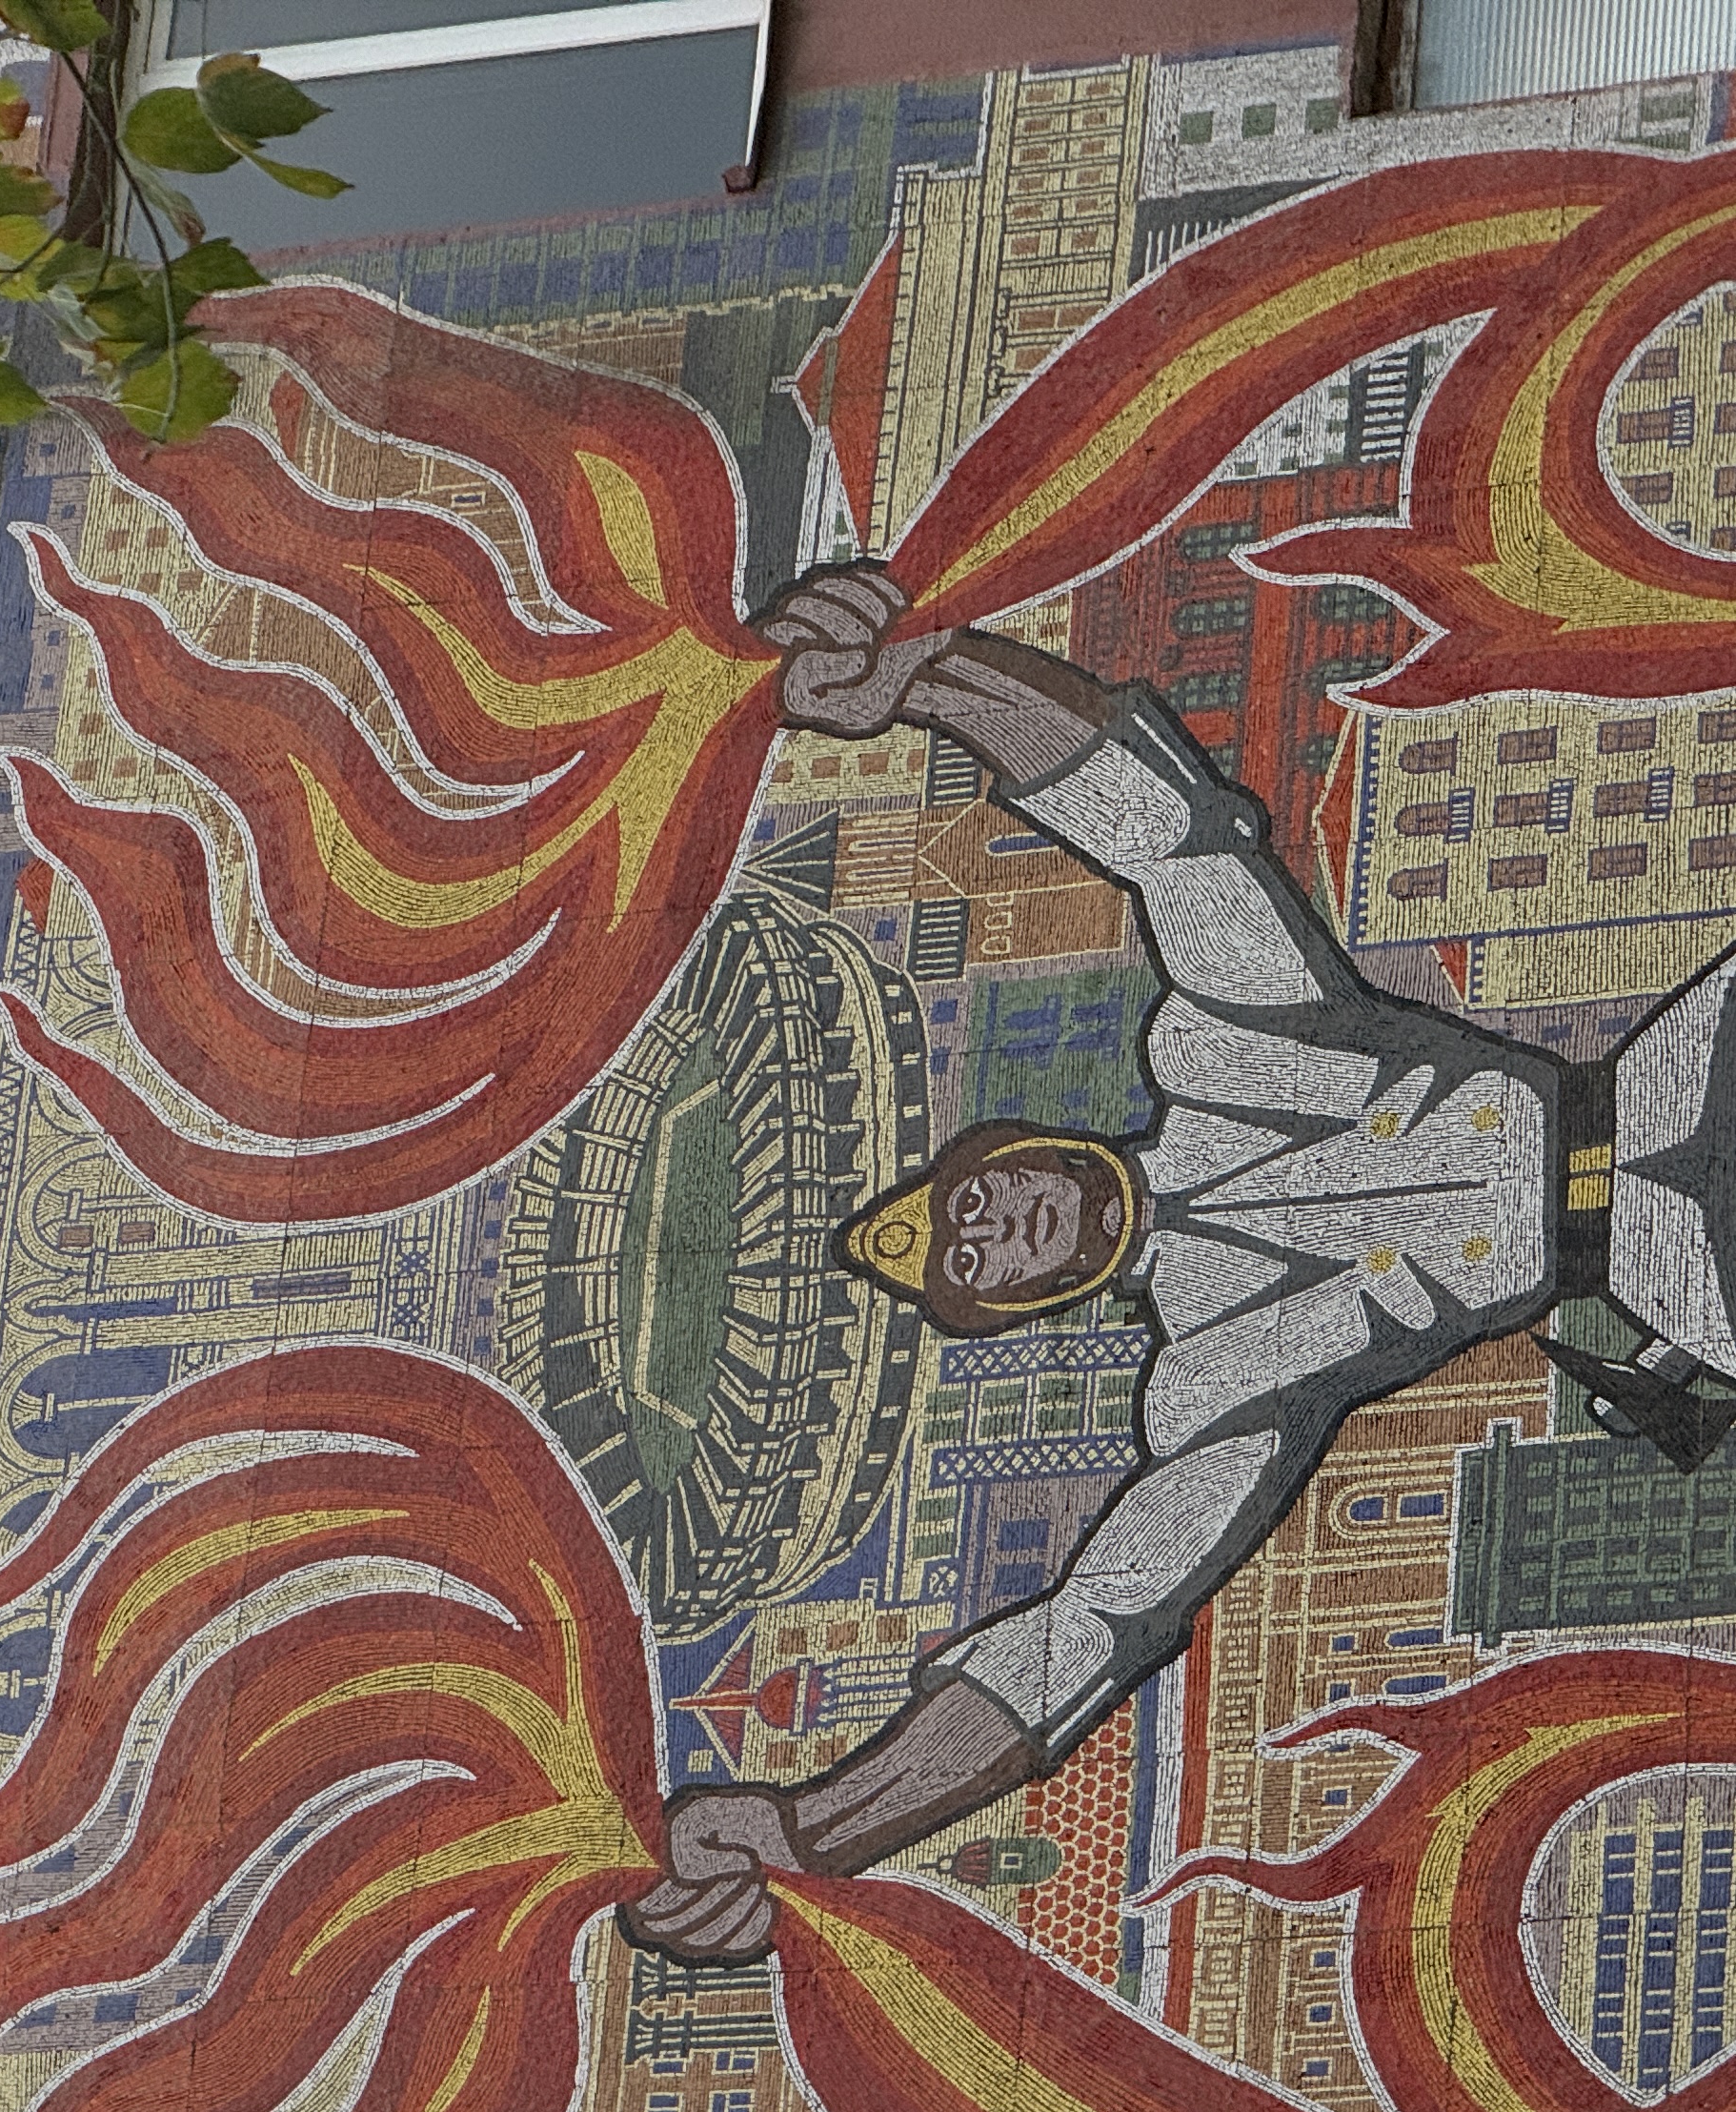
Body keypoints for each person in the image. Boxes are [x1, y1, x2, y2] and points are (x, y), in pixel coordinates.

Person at [621, 565, 1736, 1965]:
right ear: (1008, 1311)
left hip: (1690, 1074)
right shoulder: (1216, 1380)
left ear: (1021, 1140)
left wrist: (923, 678)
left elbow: (1165, 831)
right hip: (1685, 1278)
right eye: (973, 1260)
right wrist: (810, 1831)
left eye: (975, 1197)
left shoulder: (1224, 1045)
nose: (996, 1225)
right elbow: (1084, 1636)